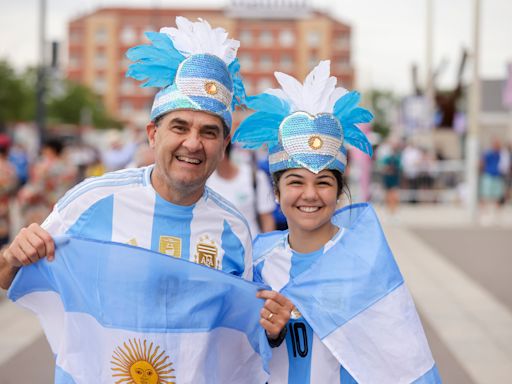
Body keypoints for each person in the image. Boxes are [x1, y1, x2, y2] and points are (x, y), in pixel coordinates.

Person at [0, 17, 252, 289]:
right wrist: (13, 258)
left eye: (208, 132)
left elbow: (243, 324)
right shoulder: (90, 201)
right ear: (153, 134)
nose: (193, 143)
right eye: (180, 128)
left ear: (224, 144)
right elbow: (9, 278)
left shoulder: (235, 231)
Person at [233, 60, 440, 383]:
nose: (310, 194)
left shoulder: (364, 260)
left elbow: (400, 357)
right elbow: (233, 352)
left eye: (324, 182)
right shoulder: (257, 261)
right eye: (296, 182)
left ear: (340, 190)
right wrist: (270, 335)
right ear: (276, 192)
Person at [207, 142, 276, 235]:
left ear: (222, 152)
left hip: (253, 245)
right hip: (219, 246)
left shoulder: (254, 176)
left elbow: (267, 219)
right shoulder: (206, 182)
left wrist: (267, 247)